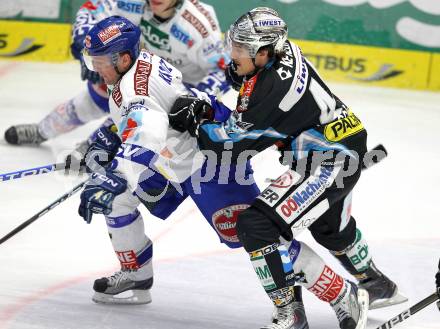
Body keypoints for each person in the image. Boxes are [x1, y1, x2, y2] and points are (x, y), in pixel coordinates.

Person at [78, 15, 375, 329]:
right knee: (118, 200)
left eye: (99, 61)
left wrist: (119, 169)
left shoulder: (270, 90)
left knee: (258, 233)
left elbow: (150, 131)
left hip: (210, 163)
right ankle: (136, 273)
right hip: (174, 157)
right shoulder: (141, 65)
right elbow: (149, 115)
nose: (94, 68)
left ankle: (342, 294)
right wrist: (116, 132)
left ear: (123, 58)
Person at [168, 7, 407, 329]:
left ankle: (292, 312)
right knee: (328, 227)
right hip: (342, 145)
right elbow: (243, 82)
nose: (232, 53)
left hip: (327, 161)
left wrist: (199, 123)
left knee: (258, 226)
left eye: (240, 48)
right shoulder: (281, 54)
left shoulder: (271, 90)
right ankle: (377, 284)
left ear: (264, 51)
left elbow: (230, 149)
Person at [4, 0, 229, 147]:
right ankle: (43, 130)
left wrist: (191, 99)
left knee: (139, 118)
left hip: (176, 85)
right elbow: (91, 9)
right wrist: (84, 41)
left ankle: (99, 147)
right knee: (95, 96)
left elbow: (223, 69)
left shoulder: (199, 25)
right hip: (134, 64)